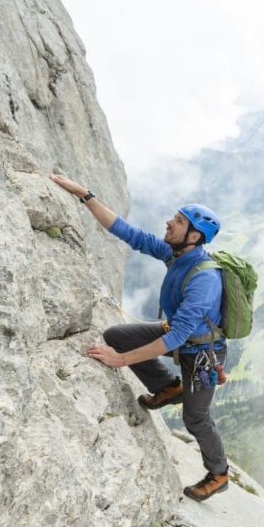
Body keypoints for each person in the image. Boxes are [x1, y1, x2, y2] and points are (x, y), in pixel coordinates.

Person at [50, 174, 230, 503]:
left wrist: (120, 362)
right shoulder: (176, 254)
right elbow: (129, 233)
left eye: (177, 221)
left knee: (196, 417)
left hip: (203, 354)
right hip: (180, 336)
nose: (168, 222)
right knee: (116, 335)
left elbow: (177, 336)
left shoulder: (205, 279)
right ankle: (167, 386)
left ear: (194, 235)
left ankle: (218, 473)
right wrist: (85, 195)